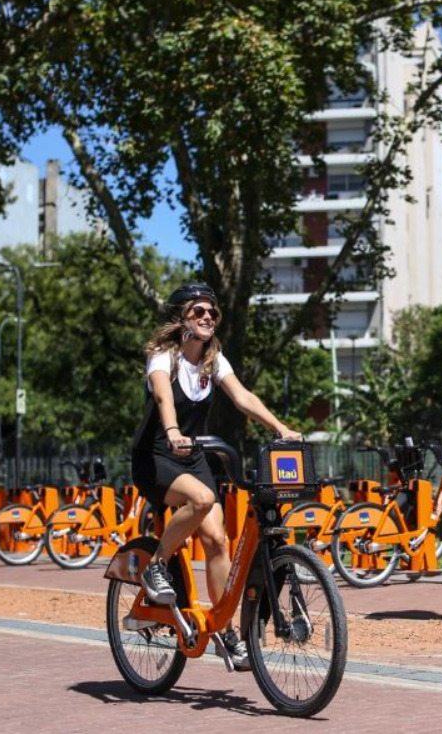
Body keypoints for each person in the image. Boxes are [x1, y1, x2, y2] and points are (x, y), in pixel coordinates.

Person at [131, 282, 301, 668]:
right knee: (203, 499)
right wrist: (173, 431)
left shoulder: (213, 359)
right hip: (156, 455)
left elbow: (243, 397)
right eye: (198, 311)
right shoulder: (164, 357)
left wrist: (281, 428)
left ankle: (224, 629)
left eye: (212, 312)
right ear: (180, 318)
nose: (208, 317)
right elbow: (162, 396)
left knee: (218, 541)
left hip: (193, 457)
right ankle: (156, 566)